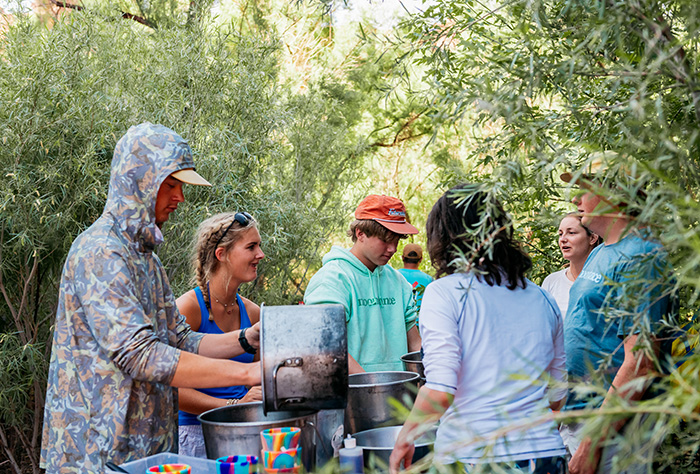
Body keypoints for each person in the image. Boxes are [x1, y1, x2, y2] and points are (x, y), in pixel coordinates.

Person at [40, 123, 261, 474]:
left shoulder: (147, 258)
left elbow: (181, 340)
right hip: (98, 453)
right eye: (171, 184)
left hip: (145, 451)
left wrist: (245, 339)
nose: (180, 198)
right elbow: (140, 354)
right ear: (138, 181)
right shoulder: (101, 252)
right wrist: (248, 374)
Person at [390, 184, 567, 474]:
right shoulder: (543, 297)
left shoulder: (443, 293)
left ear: (444, 238)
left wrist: (405, 439)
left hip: (474, 455)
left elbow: (440, 390)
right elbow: (557, 393)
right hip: (546, 454)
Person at [559, 155, 675, 474]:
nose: (575, 199)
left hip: (612, 433)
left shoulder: (643, 257)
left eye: (584, 189)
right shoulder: (602, 252)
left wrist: (592, 443)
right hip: (579, 418)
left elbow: (640, 362)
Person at [177, 212, 265, 457]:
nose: (261, 255)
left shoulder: (253, 312)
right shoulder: (188, 309)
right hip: (196, 435)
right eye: (251, 247)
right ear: (221, 254)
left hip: (244, 431)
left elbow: (257, 379)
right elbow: (173, 389)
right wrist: (233, 406)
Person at [304, 194, 422, 373]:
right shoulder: (332, 280)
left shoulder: (398, 282)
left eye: (396, 239)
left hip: (400, 395)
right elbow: (326, 345)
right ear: (360, 233)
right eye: (385, 240)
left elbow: (414, 343)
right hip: (352, 395)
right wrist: (373, 388)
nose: (393, 249)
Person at [542, 213, 600, 318]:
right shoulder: (551, 282)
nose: (563, 239)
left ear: (592, 238)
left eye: (571, 233)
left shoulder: (605, 280)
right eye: (560, 234)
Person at [398, 243, 433, 312]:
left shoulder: (393, 276)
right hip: (419, 321)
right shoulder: (429, 280)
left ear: (402, 258)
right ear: (420, 259)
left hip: (399, 321)